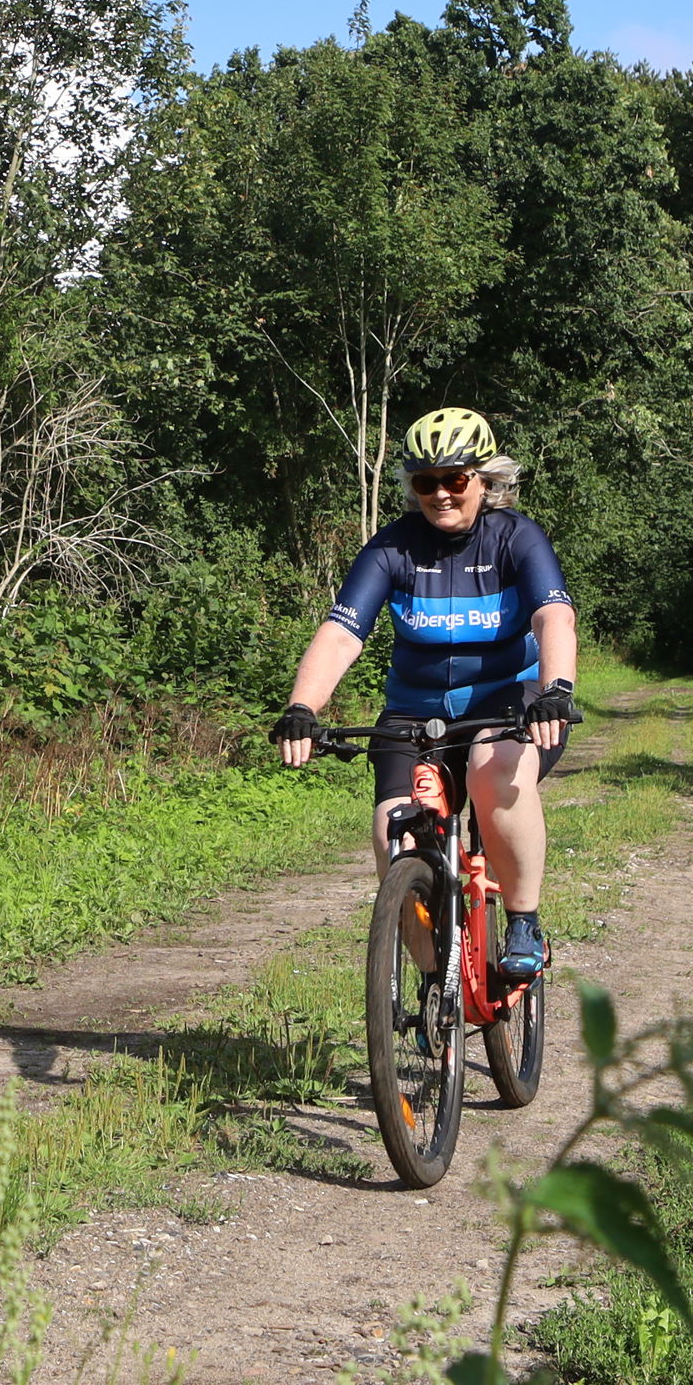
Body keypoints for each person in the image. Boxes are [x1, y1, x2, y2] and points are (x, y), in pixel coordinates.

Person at [270, 408, 576, 984]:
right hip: (415, 709)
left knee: (493, 766)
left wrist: (556, 689)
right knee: (393, 830)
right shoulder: (394, 548)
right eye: (425, 481)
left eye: (455, 479)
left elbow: (553, 616)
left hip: (509, 699)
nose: (440, 493)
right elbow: (341, 633)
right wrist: (303, 708)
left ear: (485, 480)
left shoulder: (516, 536)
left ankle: (523, 920)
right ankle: (439, 983)